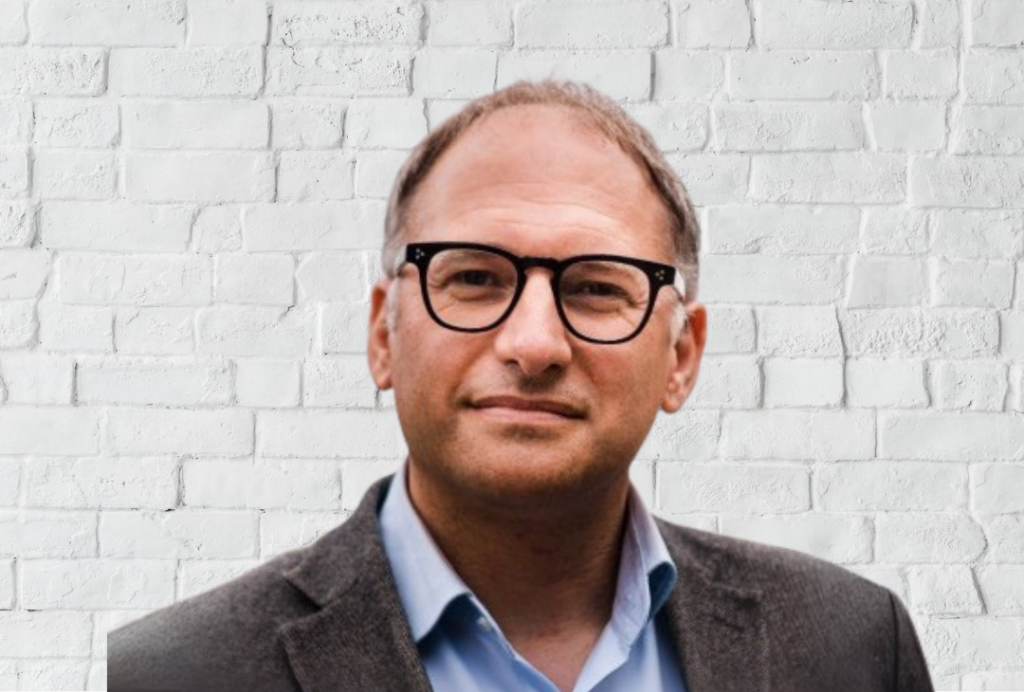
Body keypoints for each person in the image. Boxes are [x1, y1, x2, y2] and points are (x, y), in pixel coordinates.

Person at [108, 81, 934, 692]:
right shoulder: (168, 675)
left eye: (596, 288)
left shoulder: (854, 649)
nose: (534, 343)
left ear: (682, 355)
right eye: (472, 277)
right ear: (382, 335)